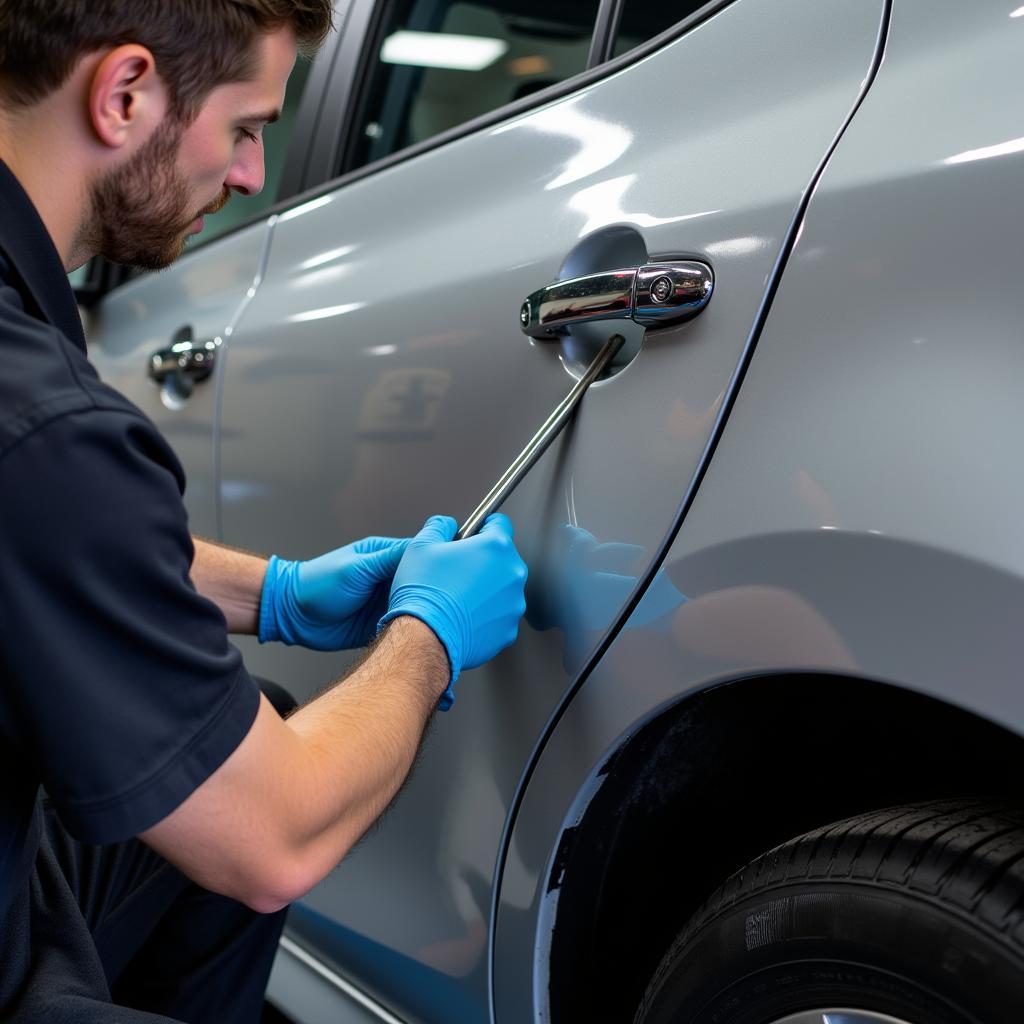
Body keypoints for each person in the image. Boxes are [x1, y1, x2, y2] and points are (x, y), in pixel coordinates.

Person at [0, 2, 528, 1020]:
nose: (250, 176)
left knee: (251, 729)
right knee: (246, 795)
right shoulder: (45, 421)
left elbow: (38, 541)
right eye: (246, 127)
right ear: (123, 94)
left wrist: (275, 595)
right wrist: (429, 638)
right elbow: (270, 843)